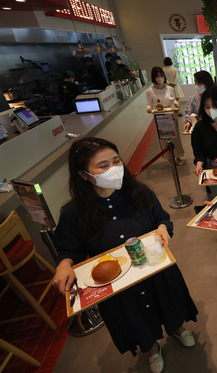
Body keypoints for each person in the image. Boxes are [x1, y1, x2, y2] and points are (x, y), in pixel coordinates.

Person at [52, 137, 198, 373]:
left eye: (116, 161)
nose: (114, 169)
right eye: (102, 165)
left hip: (156, 268)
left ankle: (177, 328)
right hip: (117, 284)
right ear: (83, 174)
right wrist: (64, 264)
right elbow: (69, 248)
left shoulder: (140, 192)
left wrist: (162, 229)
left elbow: (162, 219)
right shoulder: (73, 212)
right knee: (135, 317)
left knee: (169, 302)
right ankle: (151, 349)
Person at [191, 87, 217, 197]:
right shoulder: (200, 127)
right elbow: (198, 149)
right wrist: (199, 164)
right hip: (211, 166)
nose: (211, 110)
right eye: (207, 107)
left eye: (214, 106)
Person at [146, 66, 185, 165]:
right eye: (157, 76)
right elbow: (149, 104)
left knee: (175, 138)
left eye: (161, 75)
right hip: (160, 117)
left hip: (171, 115)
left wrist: (176, 103)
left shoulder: (170, 88)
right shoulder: (150, 91)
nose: (160, 78)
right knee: (164, 140)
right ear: (153, 78)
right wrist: (148, 108)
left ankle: (178, 156)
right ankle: (169, 158)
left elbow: (173, 99)